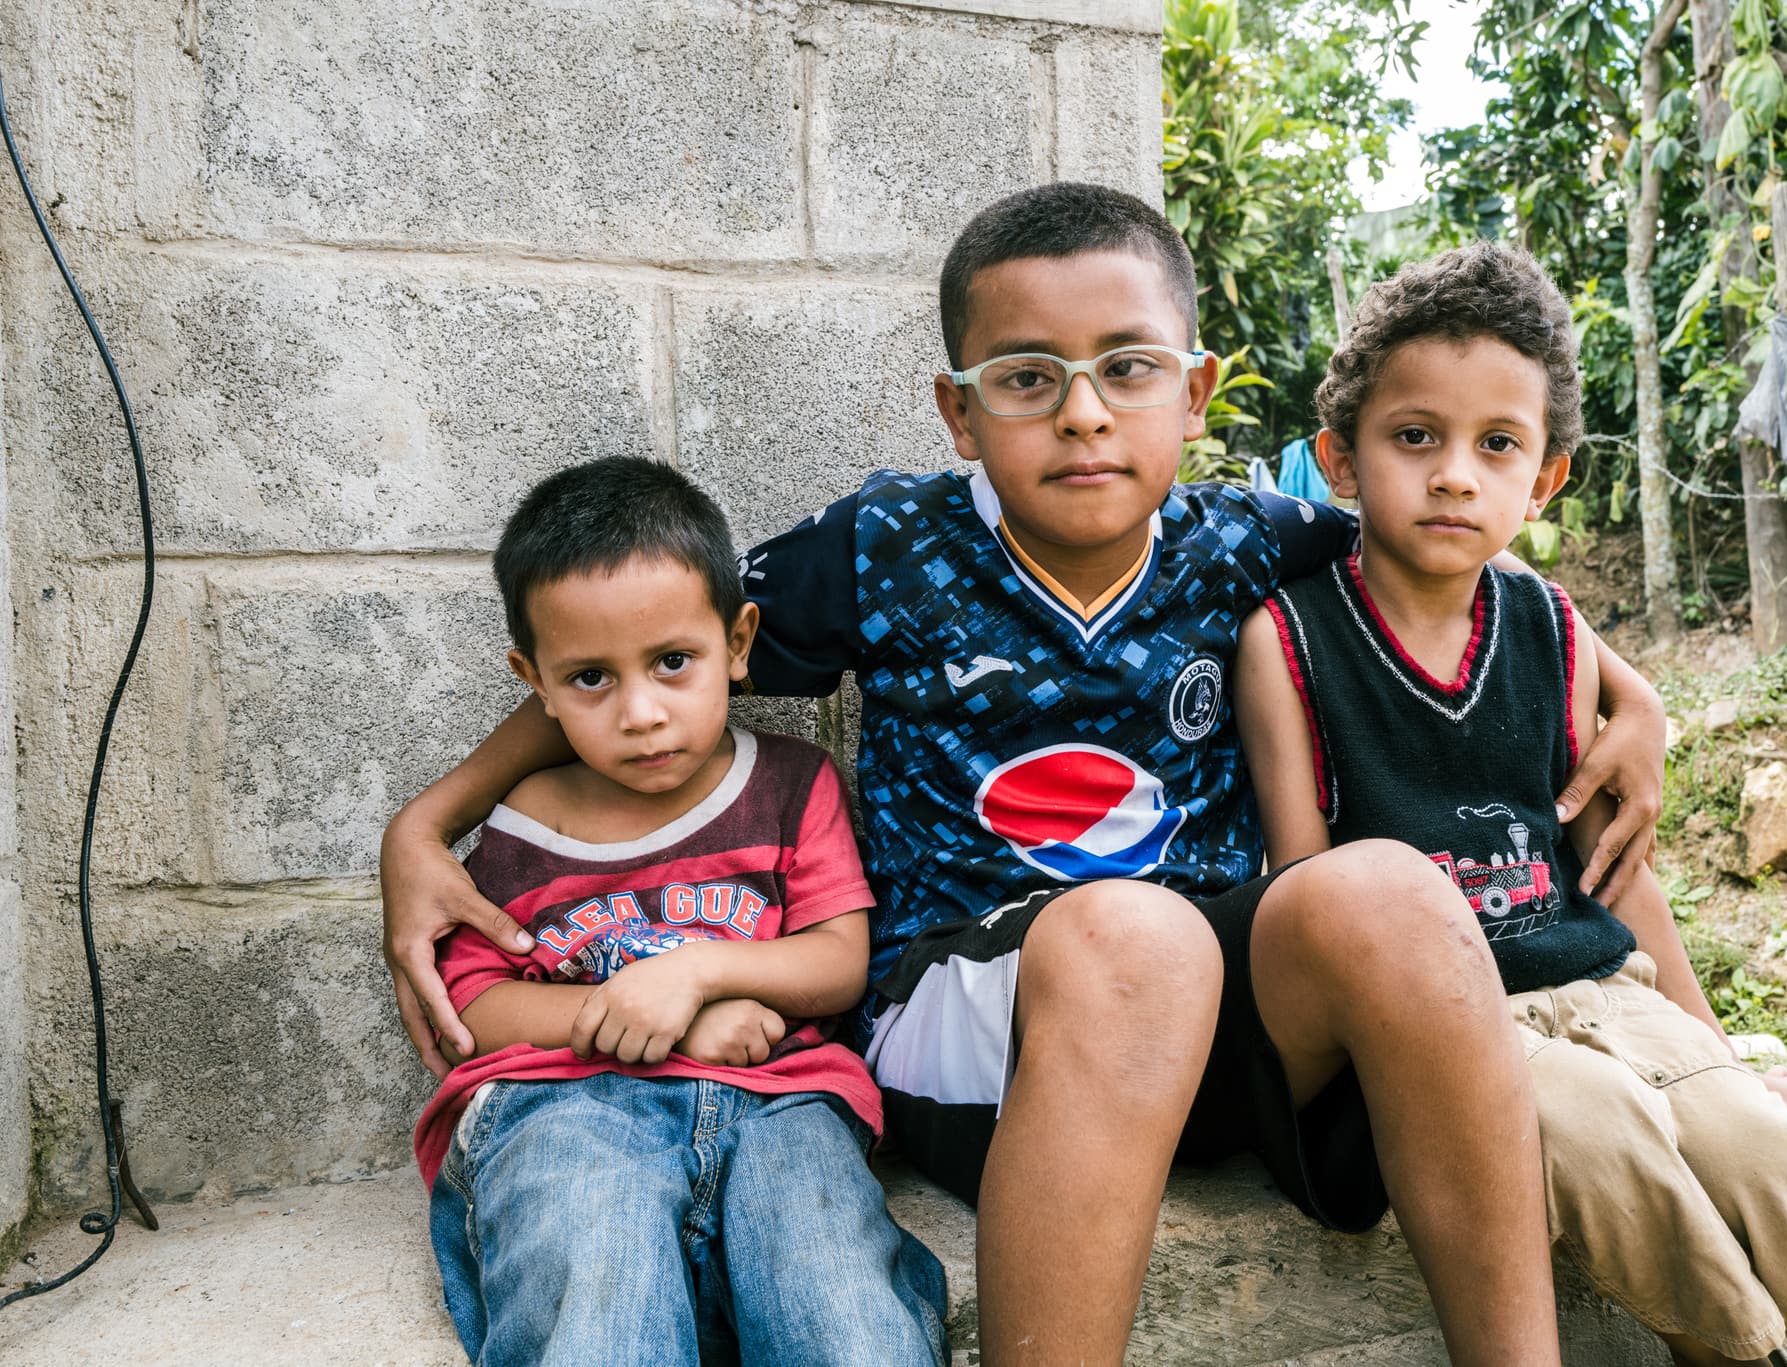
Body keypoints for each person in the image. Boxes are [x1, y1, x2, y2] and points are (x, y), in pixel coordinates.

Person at [383, 182, 1672, 1365]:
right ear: (956, 407)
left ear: (1196, 390)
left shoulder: (1247, 538)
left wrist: (1625, 685)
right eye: (1024, 377)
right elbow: (645, 655)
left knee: (1384, 889)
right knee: (1132, 935)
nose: (1082, 411)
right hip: (970, 1010)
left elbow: (1444, 558)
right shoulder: (885, 545)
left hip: (1213, 1006)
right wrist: (429, 823)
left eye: (1127, 368)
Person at [1235, 242, 1787, 1367]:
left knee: (1760, 1145)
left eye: (1494, 444)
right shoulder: (1289, 639)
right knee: (1603, 1138)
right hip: (1453, 1036)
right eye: (1414, 436)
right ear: (1340, 459)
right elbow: (1307, 891)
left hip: (1605, 988)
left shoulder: (1552, 630)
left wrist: (1717, 1052)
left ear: (1544, 476)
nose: (1454, 474)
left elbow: (1615, 866)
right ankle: (1737, 1351)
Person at [414, 457, 947, 1367]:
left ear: (738, 642)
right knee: (593, 1272)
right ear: (532, 679)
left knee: (836, 1296)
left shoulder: (790, 786)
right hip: (567, 1106)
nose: (641, 712)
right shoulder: (524, 823)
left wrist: (694, 973)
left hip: (781, 1104)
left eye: (672, 662)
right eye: (589, 677)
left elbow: (837, 959)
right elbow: (473, 1008)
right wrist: (667, 1030)